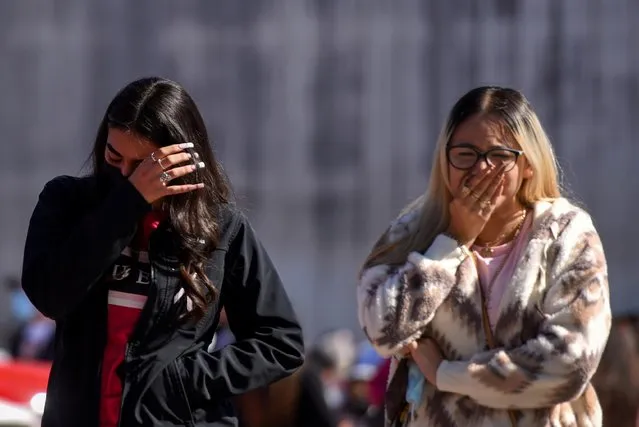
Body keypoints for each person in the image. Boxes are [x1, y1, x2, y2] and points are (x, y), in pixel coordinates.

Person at [21, 77, 305, 427]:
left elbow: (281, 343)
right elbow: (50, 295)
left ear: (181, 158)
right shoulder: (67, 202)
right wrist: (127, 205)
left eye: (142, 165)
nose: (125, 173)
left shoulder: (220, 227)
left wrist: (185, 380)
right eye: (114, 155)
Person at [357, 86, 611, 426]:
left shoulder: (566, 233)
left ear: (528, 164)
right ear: (445, 160)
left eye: (499, 155)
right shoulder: (411, 234)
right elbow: (383, 332)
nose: (481, 168)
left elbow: (571, 363)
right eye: (465, 153)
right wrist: (451, 242)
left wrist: (448, 374)